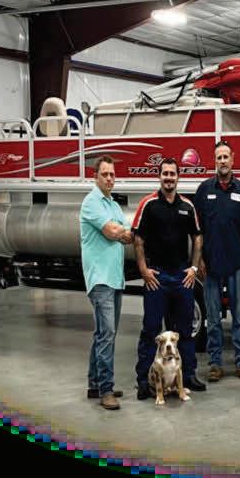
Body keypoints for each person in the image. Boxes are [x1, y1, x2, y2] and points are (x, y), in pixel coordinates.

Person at [132, 158, 207, 400]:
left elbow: (197, 237)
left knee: (185, 330)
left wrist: (193, 267)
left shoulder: (187, 206)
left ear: (178, 177)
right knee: (151, 329)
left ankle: (189, 375)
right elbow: (138, 239)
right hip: (157, 278)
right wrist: (144, 270)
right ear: (159, 177)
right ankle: (144, 380)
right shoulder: (149, 204)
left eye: (172, 174)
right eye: (165, 173)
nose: (168, 178)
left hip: (181, 278)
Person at [194, 140, 240, 382]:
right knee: (212, 318)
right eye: (218, 157)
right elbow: (197, 230)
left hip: (236, 264)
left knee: (239, 317)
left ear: (233, 159)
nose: (222, 161)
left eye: (225, 157)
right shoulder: (203, 190)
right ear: (214, 161)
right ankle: (215, 363)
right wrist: (199, 260)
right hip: (211, 265)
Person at [80, 155, 134, 410]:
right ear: (96, 177)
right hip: (100, 279)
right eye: (105, 174)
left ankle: (95, 384)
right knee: (107, 334)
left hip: (114, 278)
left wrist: (121, 232)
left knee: (103, 333)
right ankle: (106, 390)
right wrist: (120, 232)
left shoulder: (112, 205)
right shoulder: (92, 202)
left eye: (112, 174)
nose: (110, 178)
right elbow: (114, 232)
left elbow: (126, 235)